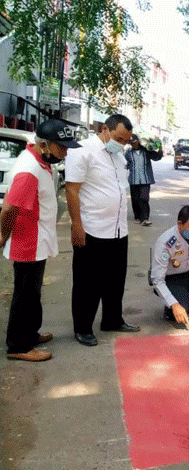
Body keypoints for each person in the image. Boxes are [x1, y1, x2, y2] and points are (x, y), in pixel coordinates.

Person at [1, 120, 81, 361]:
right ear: (45, 145)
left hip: (37, 240)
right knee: (24, 294)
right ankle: (18, 346)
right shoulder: (30, 170)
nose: (66, 152)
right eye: (62, 147)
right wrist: (3, 236)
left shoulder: (40, 162)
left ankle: (30, 333)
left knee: (33, 293)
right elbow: (9, 209)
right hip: (27, 241)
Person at [65, 114, 140, 347]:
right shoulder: (83, 150)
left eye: (126, 141)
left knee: (115, 281)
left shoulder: (118, 156)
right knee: (88, 284)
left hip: (118, 230)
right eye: (119, 138)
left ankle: (112, 320)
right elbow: (72, 190)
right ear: (105, 129)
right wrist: (76, 225)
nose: (122, 144)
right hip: (92, 230)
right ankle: (83, 328)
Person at [125, 134, 163, 227]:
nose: (133, 144)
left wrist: (160, 149)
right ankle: (137, 217)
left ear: (138, 140)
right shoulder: (128, 153)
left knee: (144, 198)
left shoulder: (146, 151)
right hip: (134, 180)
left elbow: (156, 157)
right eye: (131, 143)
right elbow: (125, 164)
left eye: (134, 142)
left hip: (145, 179)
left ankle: (145, 218)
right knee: (135, 199)